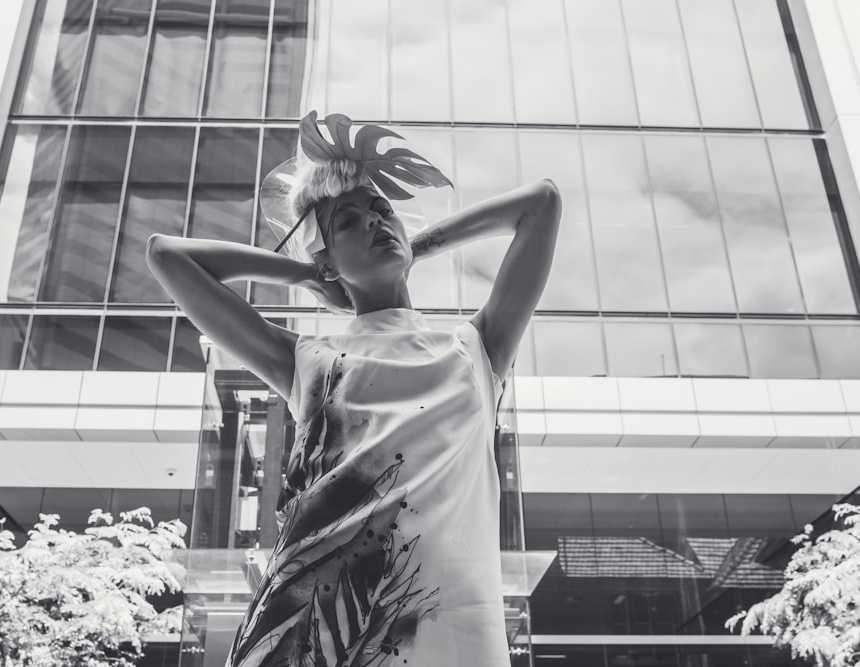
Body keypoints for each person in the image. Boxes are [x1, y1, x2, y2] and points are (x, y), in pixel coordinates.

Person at [146, 111, 561, 667]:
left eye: (381, 211)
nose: (374, 222)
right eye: (348, 222)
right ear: (324, 256)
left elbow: (542, 203)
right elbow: (167, 256)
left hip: (455, 635)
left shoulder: (476, 349)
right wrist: (307, 275)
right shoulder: (310, 360)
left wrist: (414, 244)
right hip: (312, 638)